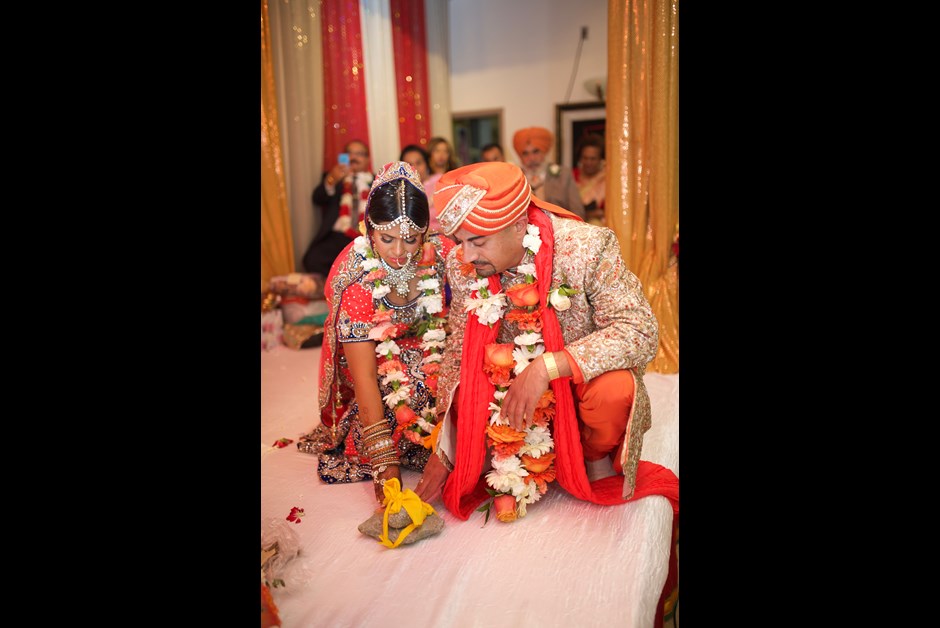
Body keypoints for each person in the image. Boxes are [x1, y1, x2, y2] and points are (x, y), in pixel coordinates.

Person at [414, 161, 677, 523]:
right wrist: (445, 447)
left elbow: (640, 330)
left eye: (478, 241)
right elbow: (459, 351)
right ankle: (515, 450)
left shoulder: (586, 248)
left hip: (575, 387)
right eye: (460, 241)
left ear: (519, 225)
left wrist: (547, 367)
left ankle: (589, 453)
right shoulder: (464, 263)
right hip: (509, 394)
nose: (468, 255)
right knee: (464, 387)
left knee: (615, 390)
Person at [297, 161, 456, 506]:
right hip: (381, 362)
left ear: (426, 233)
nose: (399, 252)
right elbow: (366, 376)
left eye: (411, 239)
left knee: (459, 380)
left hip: (432, 350)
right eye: (386, 238)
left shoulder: (439, 254)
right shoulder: (354, 274)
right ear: (369, 228)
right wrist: (385, 467)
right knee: (402, 395)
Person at [302, 140, 374, 276]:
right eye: (350, 154)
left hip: (365, 237)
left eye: (359, 154)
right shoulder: (335, 178)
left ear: (367, 159)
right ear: (344, 157)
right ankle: (337, 284)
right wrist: (331, 180)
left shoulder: (376, 181)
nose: (353, 158)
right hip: (337, 236)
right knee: (311, 260)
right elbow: (317, 198)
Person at [512, 127, 585, 220]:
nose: (531, 158)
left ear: (544, 151)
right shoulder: (515, 178)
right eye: (525, 154)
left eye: (536, 152)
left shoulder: (563, 175)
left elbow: (578, 212)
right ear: (520, 156)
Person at [572, 133, 606, 226]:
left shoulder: (607, 180)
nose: (588, 162)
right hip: (573, 225)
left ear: (600, 159)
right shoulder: (571, 176)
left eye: (593, 159)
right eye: (585, 158)